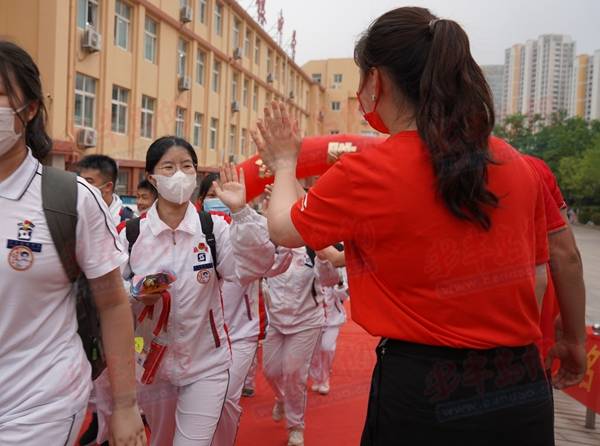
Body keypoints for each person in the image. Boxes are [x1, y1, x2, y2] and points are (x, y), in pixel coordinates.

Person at [252, 7, 587, 445]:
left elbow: (282, 229)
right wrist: (573, 341)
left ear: (376, 81)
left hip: (424, 390)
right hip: (520, 385)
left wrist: (283, 163)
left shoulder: (367, 171)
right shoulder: (515, 164)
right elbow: (543, 272)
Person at [0, 40, 145, 445]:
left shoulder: (70, 199)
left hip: (39, 405)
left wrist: (126, 404)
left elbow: (113, 303)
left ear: (29, 110)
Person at [94, 137, 277, 446]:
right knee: (162, 439)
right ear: (152, 177)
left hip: (208, 363)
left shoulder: (213, 229)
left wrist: (243, 212)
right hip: (151, 365)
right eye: (168, 167)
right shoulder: (133, 233)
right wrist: (134, 291)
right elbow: (104, 289)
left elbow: (256, 265)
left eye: (186, 166)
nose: (179, 174)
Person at [262, 246, 339, 446]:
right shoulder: (270, 248)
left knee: (294, 374)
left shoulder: (312, 251)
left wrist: (323, 257)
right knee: (270, 371)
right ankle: (282, 397)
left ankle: (296, 426)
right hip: (277, 322)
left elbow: (330, 281)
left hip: (306, 322)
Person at [310, 269, 349, 395]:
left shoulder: (337, 271)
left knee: (327, 348)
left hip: (333, 319)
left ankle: (325, 378)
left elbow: (344, 296)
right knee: (314, 352)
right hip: (313, 319)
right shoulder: (310, 269)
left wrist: (340, 282)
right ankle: (317, 378)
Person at [77, 154, 135, 224]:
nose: (82, 186)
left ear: (108, 186)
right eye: (81, 181)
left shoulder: (130, 222)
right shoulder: (76, 213)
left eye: (89, 181)